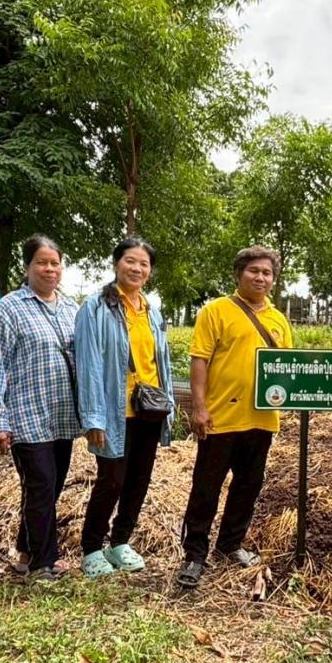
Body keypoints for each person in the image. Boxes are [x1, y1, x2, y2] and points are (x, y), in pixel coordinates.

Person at [176, 246, 293, 590]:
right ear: (239, 273)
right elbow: (199, 360)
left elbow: (286, 368)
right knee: (206, 487)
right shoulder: (215, 311)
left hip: (261, 419)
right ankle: (195, 553)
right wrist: (199, 407)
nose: (260, 277)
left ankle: (230, 544)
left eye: (267, 273)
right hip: (220, 418)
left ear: (274, 279)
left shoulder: (278, 319)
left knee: (248, 486)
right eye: (253, 271)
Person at [0, 235, 80, 581]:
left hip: (63, 417)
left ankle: (24, 553)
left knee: (49, 489)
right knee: (39, 488)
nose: (49, 269)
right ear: (27, 267)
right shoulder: (7, 310)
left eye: (55, 262)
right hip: (27, 417)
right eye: (41, 262)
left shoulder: (71, 309)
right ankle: (42, 562)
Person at [74, 238, 174, 577]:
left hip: (148, 410)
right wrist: (93, 416)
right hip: (113, 409)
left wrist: (169, 406)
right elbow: (87, 363)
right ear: (117, 264)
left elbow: (161, 362)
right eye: (130, 261)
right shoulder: (96, 307)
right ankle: (90, 548)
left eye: (144, 264)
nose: (137, 269)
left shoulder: (152, 310)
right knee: (111, 479)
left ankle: (120, 542)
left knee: (139, 479)